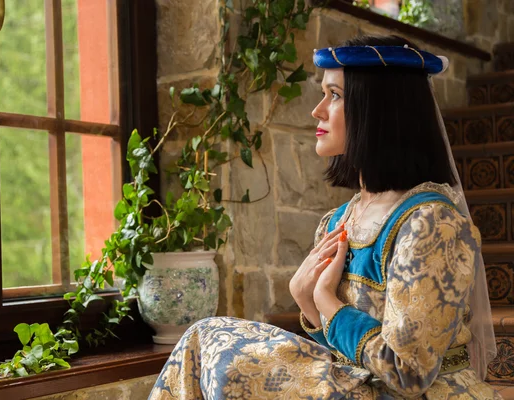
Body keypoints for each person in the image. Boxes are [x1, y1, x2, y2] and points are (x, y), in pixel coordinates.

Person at [148, 35, 500, 399]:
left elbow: (406, 371)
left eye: (334, 95)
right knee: (203, 339)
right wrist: (306, 301)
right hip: (359, 383)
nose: (317, 110)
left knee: (219, 349)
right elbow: (338, 350)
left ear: (377, 108)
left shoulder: (432, 224)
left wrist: (325, 300)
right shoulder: (337, 221)